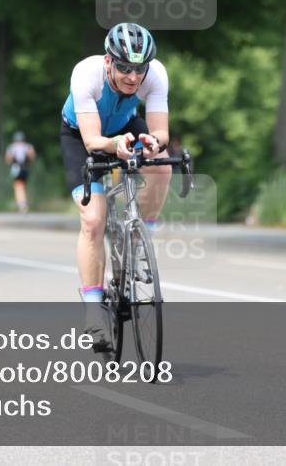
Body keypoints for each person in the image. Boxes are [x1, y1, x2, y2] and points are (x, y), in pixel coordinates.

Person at [60, 23, 171, 349]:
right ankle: (93, 313)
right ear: (108, 61)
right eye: (124, 67)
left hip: (125, 126)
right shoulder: (86, 74)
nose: (133, 77)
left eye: (139, 69)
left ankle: (141, 236)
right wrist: (115, 146)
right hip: (82, 136)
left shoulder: (157, 75)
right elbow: (93, 139)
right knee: (93, 221)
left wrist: (153, 143)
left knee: (162, 165)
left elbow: (161, 132)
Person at [5, 131, 36, 213]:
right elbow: (32, 157)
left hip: (16, 168)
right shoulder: (28, 146)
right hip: (25, 168)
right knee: (23, 185)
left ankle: (22, 203)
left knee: (18, 185)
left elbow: (8, 159)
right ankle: (22, 201)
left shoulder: (12, 147)